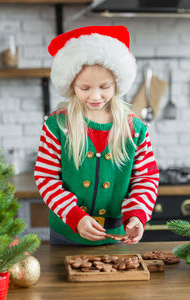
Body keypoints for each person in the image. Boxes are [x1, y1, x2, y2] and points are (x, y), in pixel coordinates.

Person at [34, 25, 159, 246]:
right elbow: (47, 178)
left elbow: (145, 179)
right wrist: (75, 216)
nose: (95, 96)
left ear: (118, 83)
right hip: (67, 236)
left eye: (104, 86)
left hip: (117, 237)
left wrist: (137, 216)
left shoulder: (135, 129)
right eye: (84, 88)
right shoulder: (56, 126)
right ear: (71, 85)